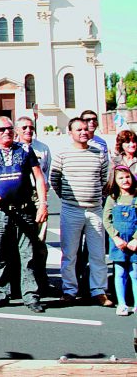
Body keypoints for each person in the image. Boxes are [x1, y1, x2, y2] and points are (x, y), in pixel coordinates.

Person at [0, 116, 48, 313]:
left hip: (24, 208)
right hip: (0, 210)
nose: (7, 132)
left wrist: (43, 205)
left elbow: (38, 178)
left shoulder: (25, 149)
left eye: (9, 129)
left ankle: (30, 295)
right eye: (2, 129)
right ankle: (0, 293)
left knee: (27, 253)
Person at [50, 117, 113, 307]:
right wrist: (68, 198)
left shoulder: (99, 153)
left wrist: (92, 195)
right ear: (70, 132)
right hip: (71, 209)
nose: (83, 132)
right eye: (79, 130)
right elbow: (55, 179)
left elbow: (104, 179)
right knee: (69, 253)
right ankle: (69, 291)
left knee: (97, 253)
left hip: (95, 209)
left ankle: (99, 291)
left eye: (85, 129)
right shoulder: (62, 154)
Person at [15, 116, 53, 295]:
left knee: (39, 241)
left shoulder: (43, 149)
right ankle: (18, 282)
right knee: (18, 241)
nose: (28, 130)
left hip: (37, 197)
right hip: (20, 197)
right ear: (16, 130)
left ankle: (41, 280)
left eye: (31, 127)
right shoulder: (12, 148)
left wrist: (43, 200)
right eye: (24, 127)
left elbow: (47, 174)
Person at [103, 165, 137, 316]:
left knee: (135, 273)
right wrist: (115, 237)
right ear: (115, 181)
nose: (125, 180)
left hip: (134, 242)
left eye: (127, 177)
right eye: (121, 178)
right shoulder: (112, 199)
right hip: (119, 243)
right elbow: (106, 220)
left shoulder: (135, 197)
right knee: (120, 272)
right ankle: (122, 303)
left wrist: (136, 239)